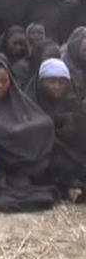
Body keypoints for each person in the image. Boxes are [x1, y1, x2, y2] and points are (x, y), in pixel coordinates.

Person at [26, 59, 86, 202]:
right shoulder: (29, 104)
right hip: (44, 161)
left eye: (62, 82)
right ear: (41, 82)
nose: (57, 86)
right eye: (51, 81)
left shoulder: (71, 103)